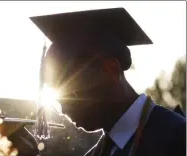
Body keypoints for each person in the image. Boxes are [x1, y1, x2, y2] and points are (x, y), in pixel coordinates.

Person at [30, 8, 186, 156]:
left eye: (71, 93)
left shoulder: (177, 137)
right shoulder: (97, 152)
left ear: (111, 70)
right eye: (58, 98)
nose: (63, 109)